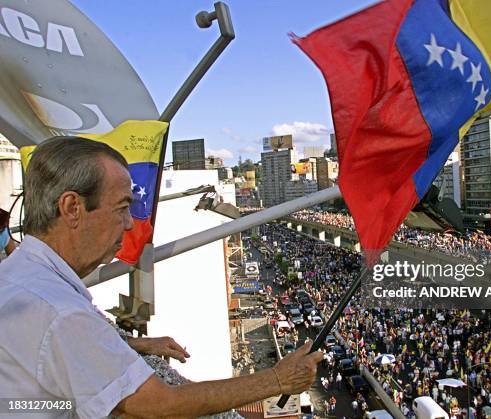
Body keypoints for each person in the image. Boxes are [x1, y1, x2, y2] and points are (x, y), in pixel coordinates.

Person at [0, 137, 322, 418]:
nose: (129, 223)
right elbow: (161, 406)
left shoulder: (23, 275)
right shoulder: (60, 311)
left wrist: (137, 344)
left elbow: (65, 354)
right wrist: (279, 380)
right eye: (123, 207)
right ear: (72, 207)